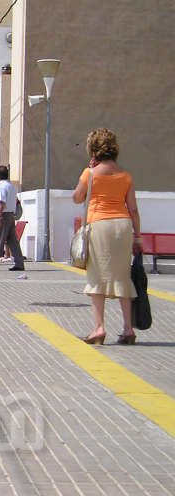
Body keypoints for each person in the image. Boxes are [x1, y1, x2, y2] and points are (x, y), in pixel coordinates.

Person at [72, 128, 141, 345]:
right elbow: (134, 209)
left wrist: (88, 175)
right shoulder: (125, 176)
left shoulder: (89, 174)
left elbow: (76, 197)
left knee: (97, 276)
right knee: (122, 276)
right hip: (122, 226)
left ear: (93, 149)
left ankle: (99, 328)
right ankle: (128, 329)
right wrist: (137, 237)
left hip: (99, 225)